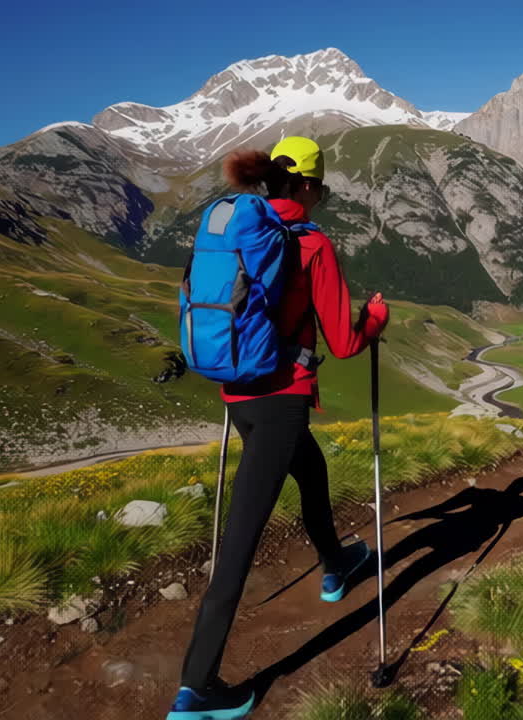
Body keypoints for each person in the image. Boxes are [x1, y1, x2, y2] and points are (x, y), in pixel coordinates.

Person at [168, 136, 390, 719]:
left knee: (310, 471)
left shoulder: (242, 226)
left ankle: (337, 564)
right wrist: (376, 318)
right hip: (281, 401)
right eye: (322, 186)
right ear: (310, 187)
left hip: (238, 394)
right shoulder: (312, 243)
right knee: (239, 544)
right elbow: (343, 342)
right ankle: (197, 688)